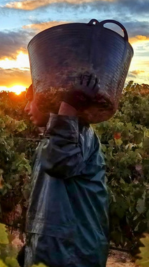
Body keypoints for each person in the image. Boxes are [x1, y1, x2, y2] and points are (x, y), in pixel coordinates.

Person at [20, 78, 109, 267]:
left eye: (30, 100)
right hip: (57, 251)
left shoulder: (78, 134)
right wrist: (30, 248)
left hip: (71, 255)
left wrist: (67, 108)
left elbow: (62, 162)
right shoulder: (54, 140)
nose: (26, 108)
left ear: (49, 101)